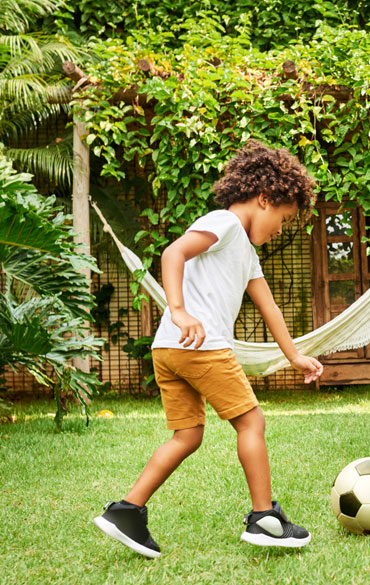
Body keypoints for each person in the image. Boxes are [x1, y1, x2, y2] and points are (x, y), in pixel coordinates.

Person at [94, 141, 323, 558]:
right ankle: (263, 519)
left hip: (170, 350)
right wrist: (178, 310)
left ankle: (127, 511)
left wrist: (294, 355)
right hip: (199, 346)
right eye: (284, 219)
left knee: (188, 435)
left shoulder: (246, 253)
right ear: (264, 199)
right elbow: (173, 252)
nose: (281, 229)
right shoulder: (226, 224)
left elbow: (268, 306)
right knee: (251, 423)